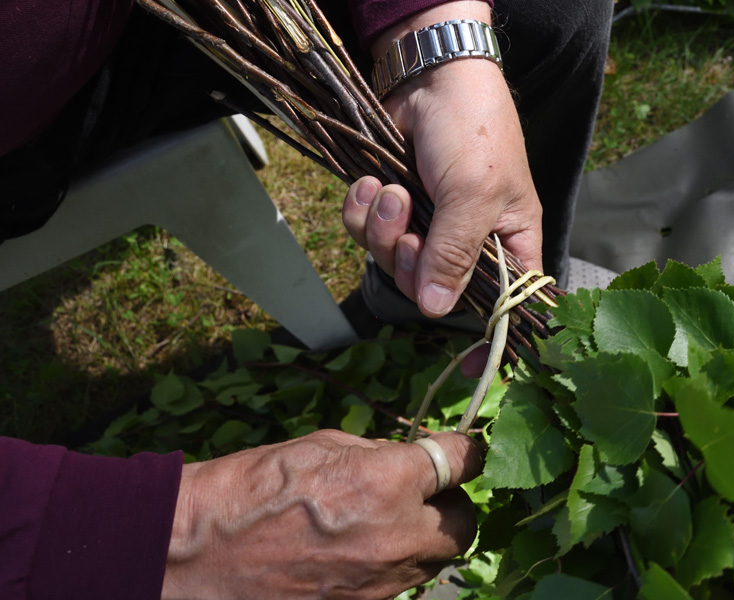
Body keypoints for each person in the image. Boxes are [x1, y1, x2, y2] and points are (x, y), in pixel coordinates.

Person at [0, 0, 613, 597]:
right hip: (26, 136)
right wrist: (152, 537)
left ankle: (439, 312)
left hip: (110, 33)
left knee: (545, 11)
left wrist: (436, 37)